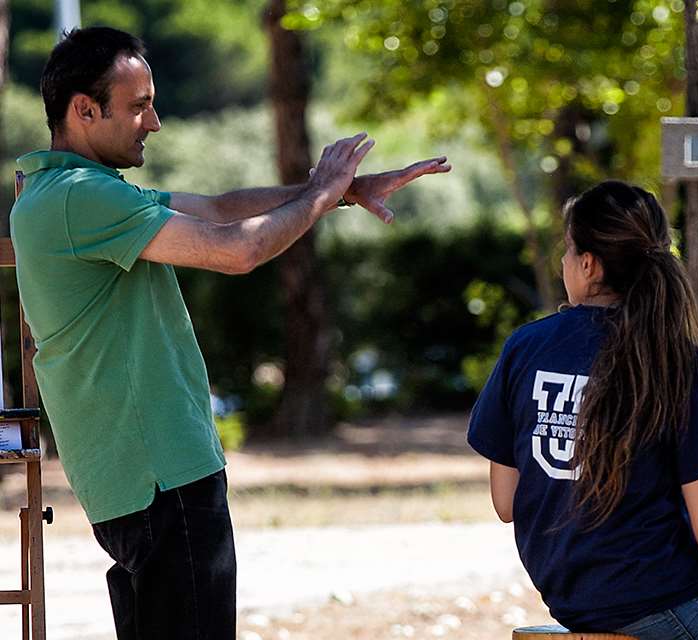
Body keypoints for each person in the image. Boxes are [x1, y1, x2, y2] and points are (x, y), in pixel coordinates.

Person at [11, 26, 449, 640]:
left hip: (133, 483)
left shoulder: (64, 191)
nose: (155, 122)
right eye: (138, 105)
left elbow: (218, 208)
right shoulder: (80, 197)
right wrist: (320, 192)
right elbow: (233, 251)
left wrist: (339, 195)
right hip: (162, 478)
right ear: (84, 110)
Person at [467, 181, 698, 639]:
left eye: (567, 252)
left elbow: (507, 503)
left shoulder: (525, 346)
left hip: (570, 589)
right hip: (653, 595)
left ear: (588, 265)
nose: (565, 262)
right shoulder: (674, 359)